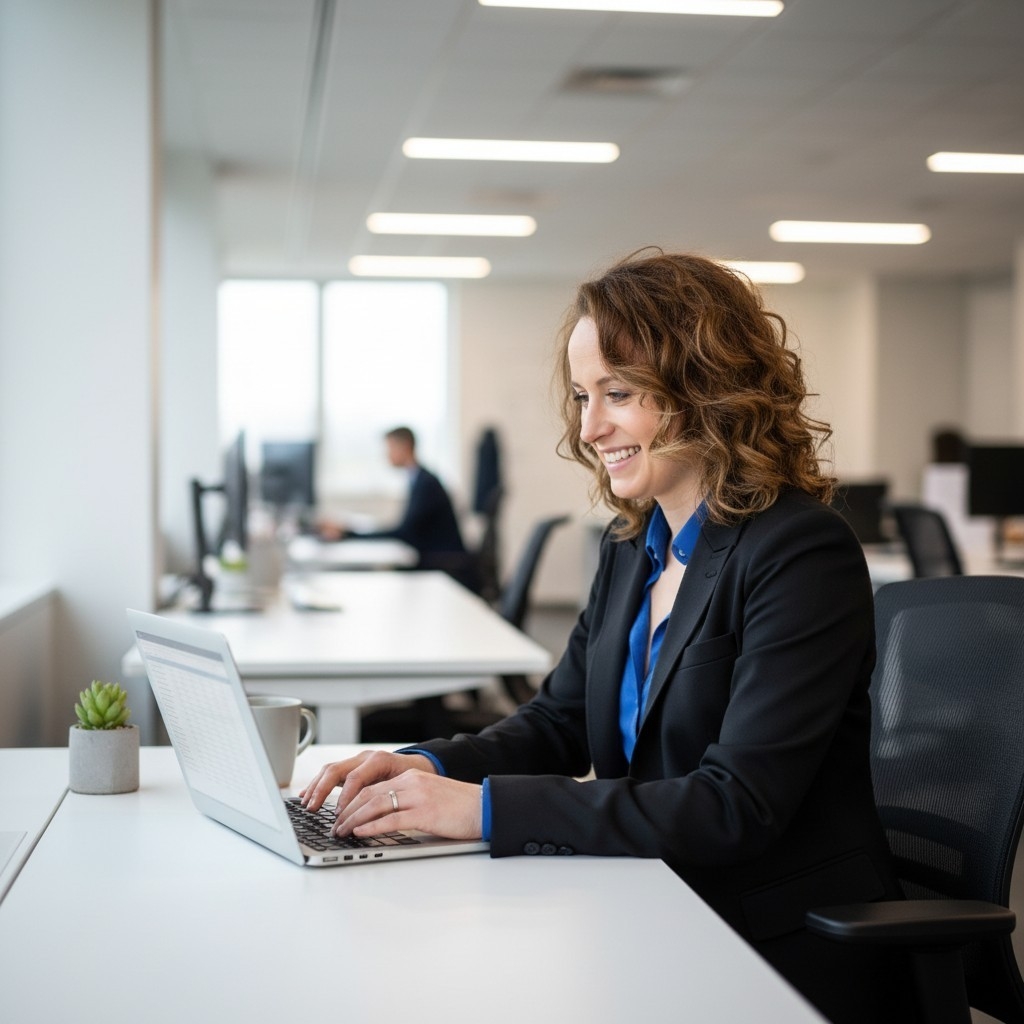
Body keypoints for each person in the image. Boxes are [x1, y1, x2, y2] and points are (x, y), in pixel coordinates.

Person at [301, 251, 916, 1023]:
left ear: (704, 388)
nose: (590, 428)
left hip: (772, 946)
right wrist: (423, 766)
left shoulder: (799, 552)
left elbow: (734, 807)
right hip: (651, 900)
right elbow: (557, 722)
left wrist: (483, 809)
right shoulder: (632, 547)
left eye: (618, 394)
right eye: (584, 396)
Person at [319, 426, 471, 577]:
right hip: (432, 560)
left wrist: (349, 534)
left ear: (404, 447)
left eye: (390, 448)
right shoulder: (419, 479)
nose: (387, 455)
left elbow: (403, 532)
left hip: (442, 564)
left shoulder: (426, 484)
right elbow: (405, 530)